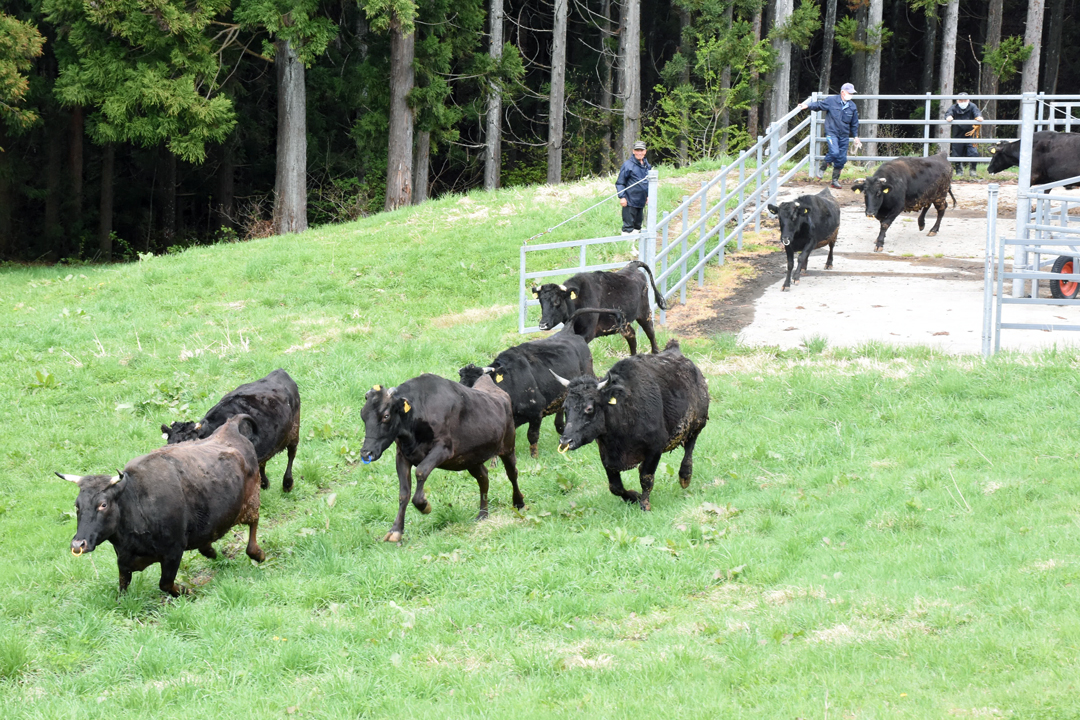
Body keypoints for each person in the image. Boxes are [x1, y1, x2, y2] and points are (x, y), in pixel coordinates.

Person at [797, 82, 862, 189]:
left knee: (841, 158)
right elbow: (819, 105)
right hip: (832, 133)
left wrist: (855, 136)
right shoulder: (831, 101)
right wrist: (807, 106)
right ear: (843, 92)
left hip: (844, 135)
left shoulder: (852, 106)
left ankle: (834, 180)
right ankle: (823, 167)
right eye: (850, 93)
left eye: (852, 93)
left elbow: (854, 123)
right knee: (834, 152)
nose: (851, 95)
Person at [944, 92, 985, 178]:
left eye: (965, 100)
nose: (963, 102)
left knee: (973, 152)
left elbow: (977, 114)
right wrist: (949, 117)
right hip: (957, 134)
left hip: (971, 134)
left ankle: (973, 170)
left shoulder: (972, 106)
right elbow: (948, 114)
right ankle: (959, 170)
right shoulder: (954, 107)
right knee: (956, 153)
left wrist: (979, 117)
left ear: (969, 100)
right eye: (961, 100)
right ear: (957, 101)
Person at [615, 140, 651, 236]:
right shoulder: (627, 165)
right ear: (633, 151)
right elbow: (620, 183)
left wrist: (648, 196)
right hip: (629, 201)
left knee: (637, 226)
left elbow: (647, 183)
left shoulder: (647, 165)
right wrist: (622, 197)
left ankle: (633, 247)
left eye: (641, 150)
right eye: (637, 150)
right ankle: (626, 249)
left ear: (645, 151)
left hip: (641, 201)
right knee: (628, 227)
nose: (639, 153)